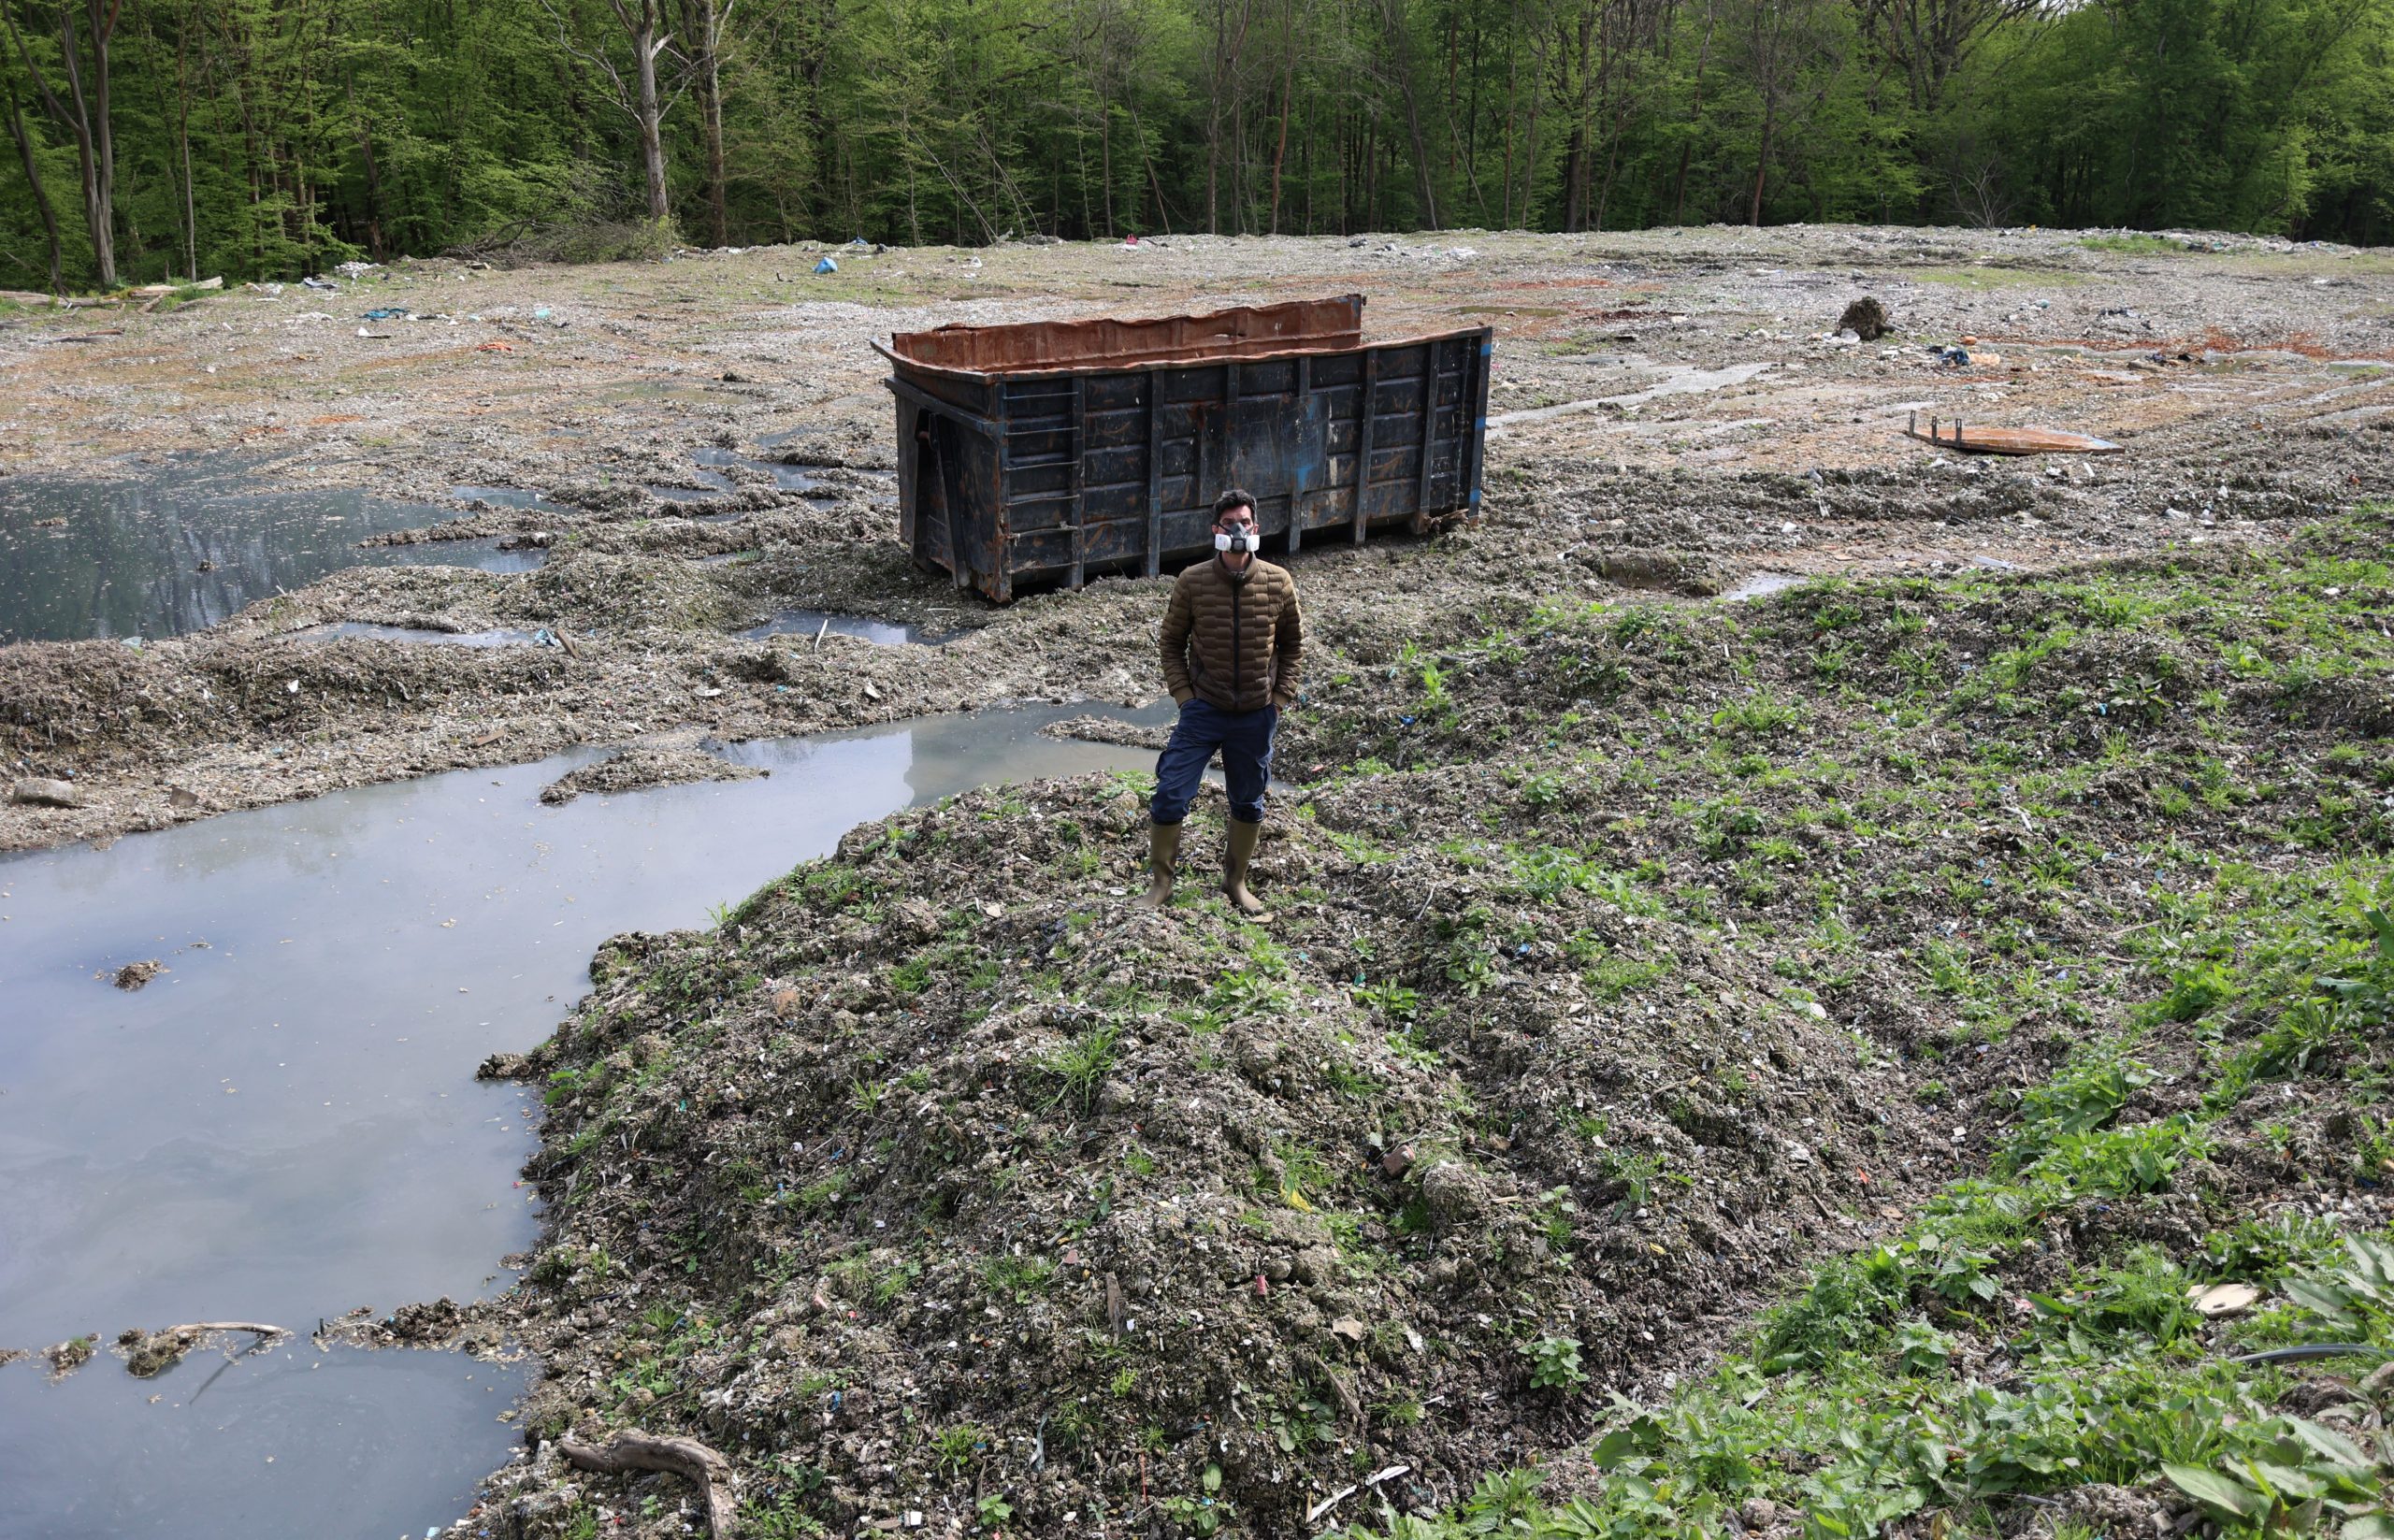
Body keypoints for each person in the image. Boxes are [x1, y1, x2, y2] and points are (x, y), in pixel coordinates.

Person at [1140, 488, 1304, 916]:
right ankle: (1161, 883)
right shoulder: (1192, 581)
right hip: (1203, 711)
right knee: (1171, 792)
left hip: (1255, 714)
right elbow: (1171, 643)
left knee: (1248, 801)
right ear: (1216, 530)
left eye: (1244, 522)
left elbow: (1292, 645)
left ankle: (1235, 882)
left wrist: (1278, 699)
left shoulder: (1277, 581)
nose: (1237, 529)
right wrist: (1185, 698)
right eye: (1229, 522)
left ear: (1255, 528)